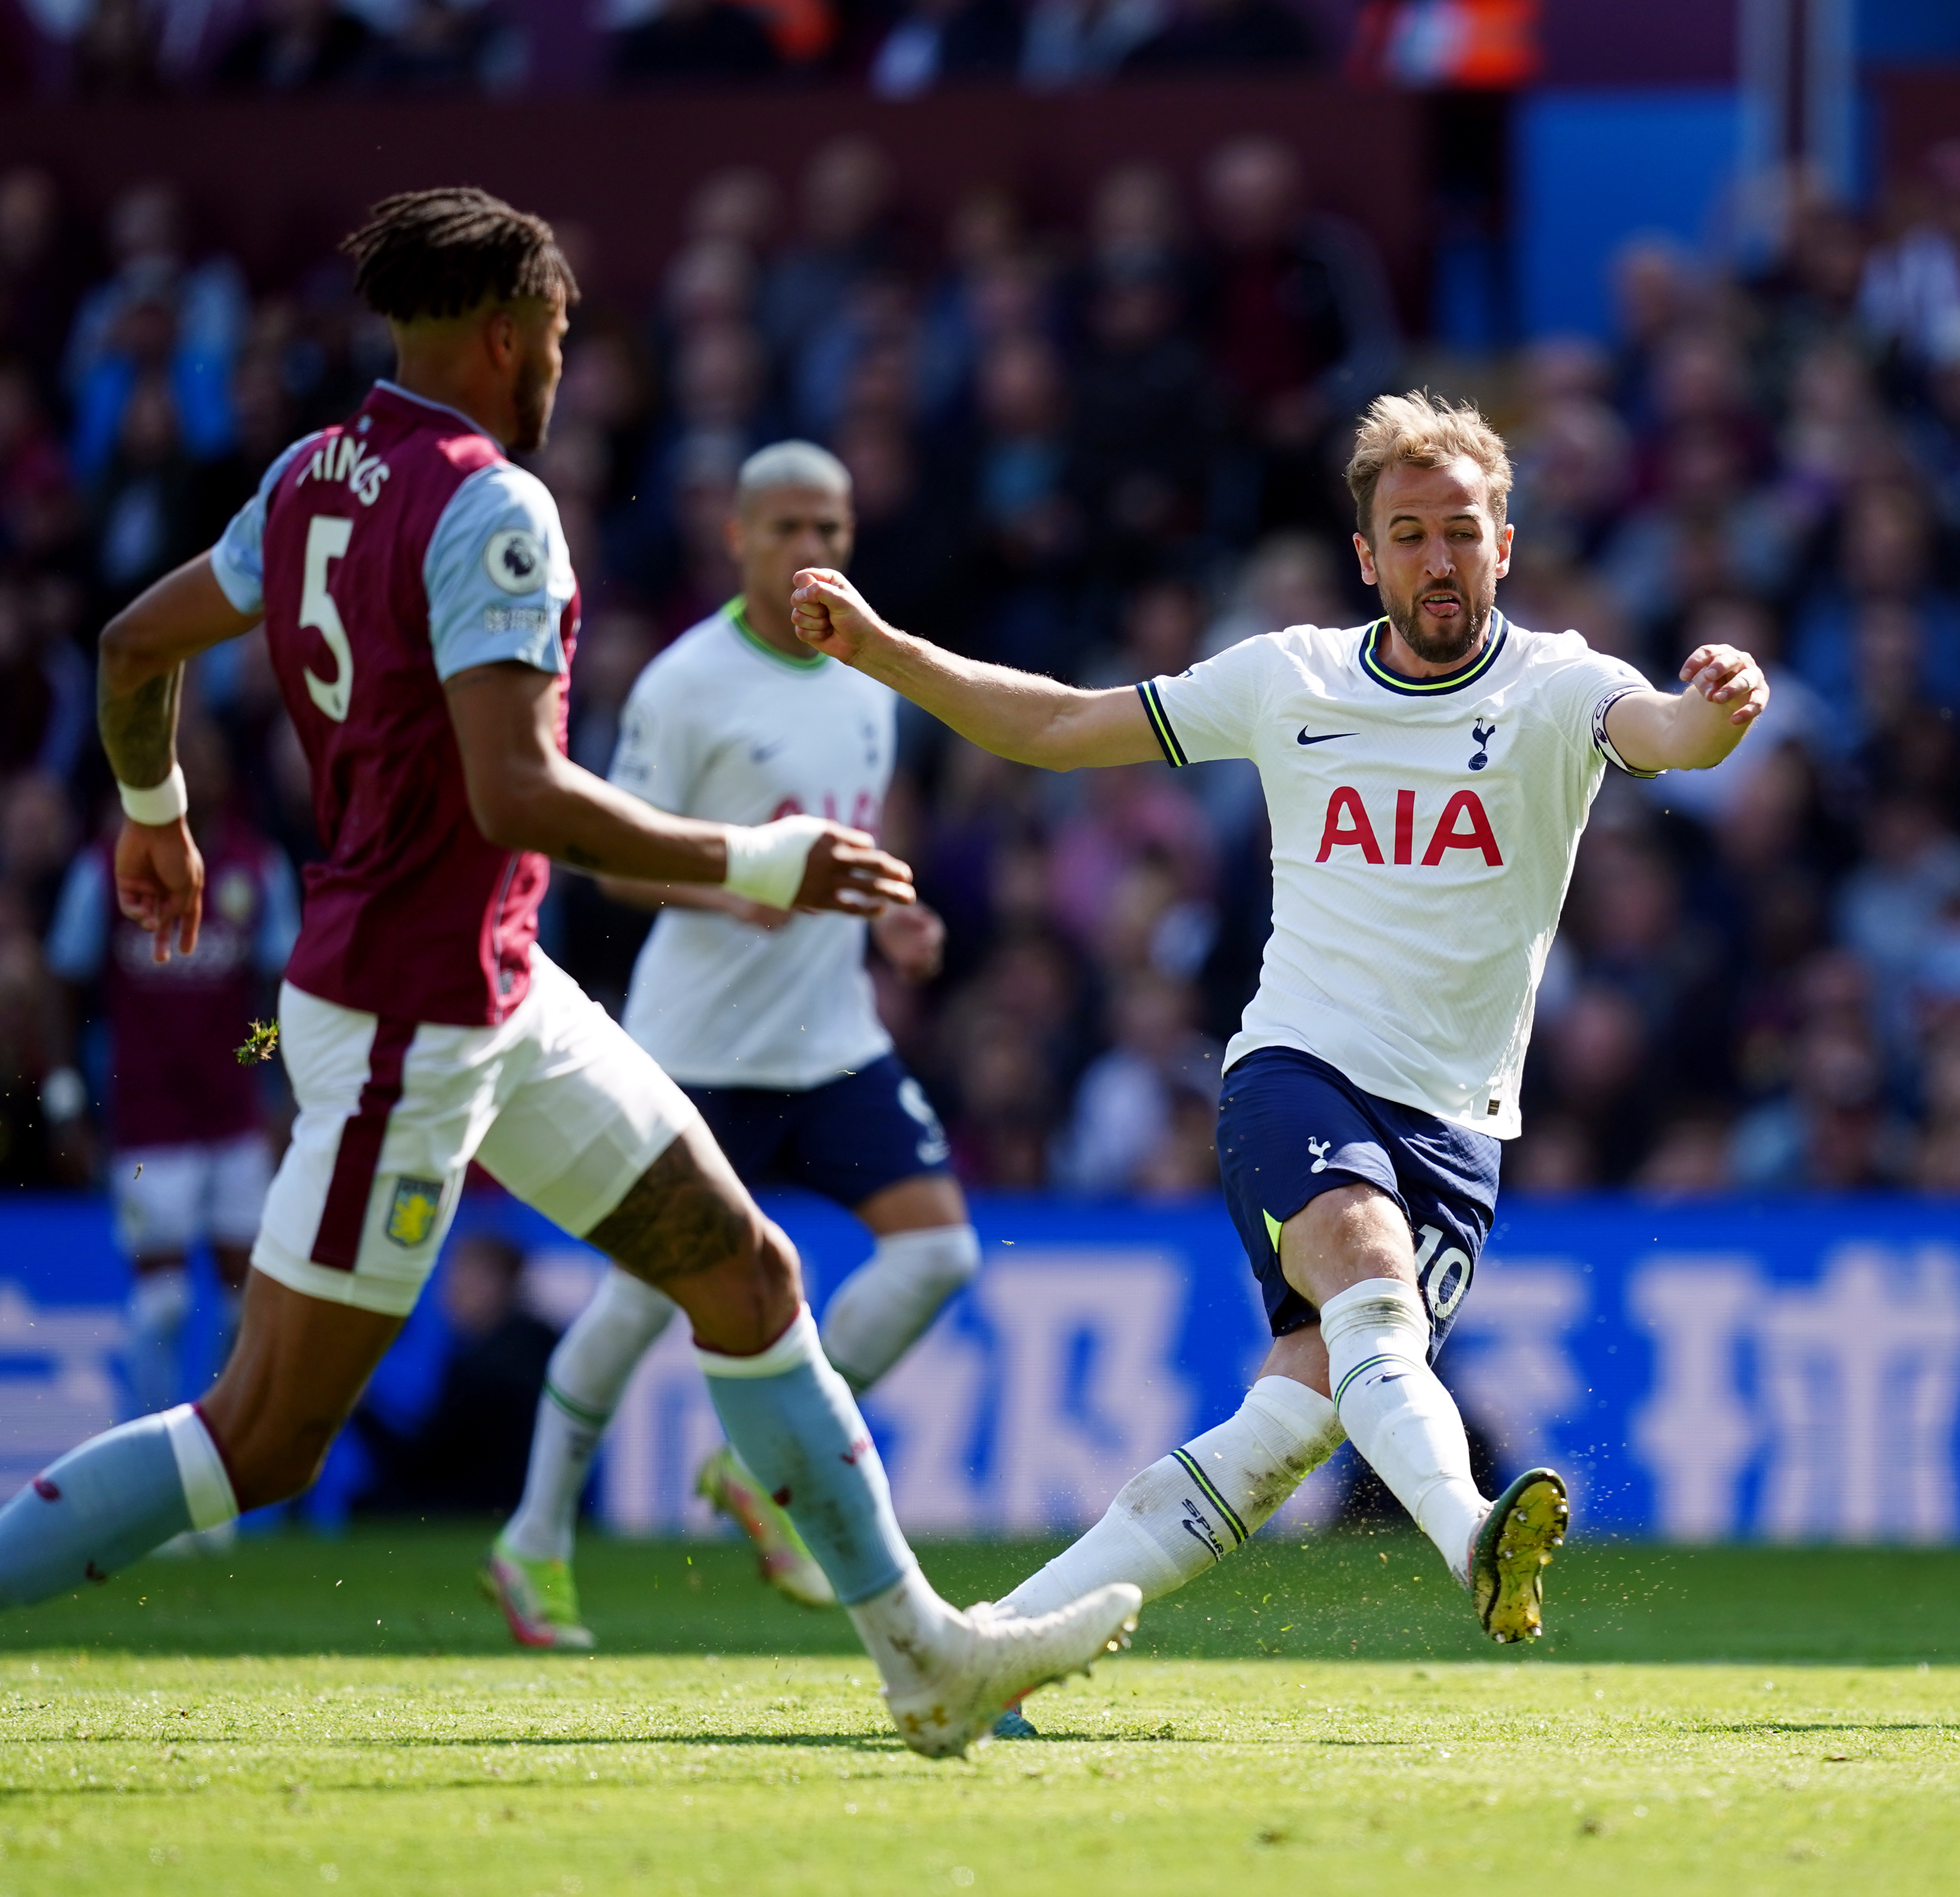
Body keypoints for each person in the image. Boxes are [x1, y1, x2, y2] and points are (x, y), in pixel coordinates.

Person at [0, 189, 1139, 1758]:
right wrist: (760, 857)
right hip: (409, 1019)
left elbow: (136, 644)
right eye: (555, 337)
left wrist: (155, 812)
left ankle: (924, 1654)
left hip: (498, 986)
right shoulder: (493, 506)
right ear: (501, 333)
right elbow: (513, 795)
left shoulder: (309, 476)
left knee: (747, 1277)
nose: (563, 368)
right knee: (259, 1438)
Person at [787, 390, 1769, 1650]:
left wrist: (1720, 706)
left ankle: (992, 1641)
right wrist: (879, 648)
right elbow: (1050, 723)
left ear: (1505, 546)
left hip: (1459, 1129)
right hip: (1296, 1073)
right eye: (1408, 535)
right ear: (1368, 558)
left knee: (1285, 1427)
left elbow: (1669, 736)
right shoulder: (1284, 676)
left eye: (1462, 532)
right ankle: (1469, 1530)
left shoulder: (1557, 687)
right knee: (1364, 1274)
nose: (1438, 560)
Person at [482, 439, 978, 1649]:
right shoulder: (683, 683)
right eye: (791, 530)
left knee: (940, 1258)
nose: (814, 553)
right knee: (648, 1300)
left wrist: (894, 917)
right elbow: (601, 854)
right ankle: (534, 1536)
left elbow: (855, 848)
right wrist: (730, 892)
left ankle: (761, 1470)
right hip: (696, 1047)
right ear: (741, 540)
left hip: (832, 1042)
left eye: (834, 532)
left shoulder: (870, 678)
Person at [45, 713, 296, 1418]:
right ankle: (151, 1459)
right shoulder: (109, 867)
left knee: (239, 1302)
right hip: (147, 1122)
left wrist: (258, 1071)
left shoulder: (258, 868)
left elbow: (274, 996)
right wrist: (67, 1099)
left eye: (209, 757)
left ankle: (215, 1453)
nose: (198, 771)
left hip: (234, 1120)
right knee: (162, 1306)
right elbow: (67, 986)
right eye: (182, 757)